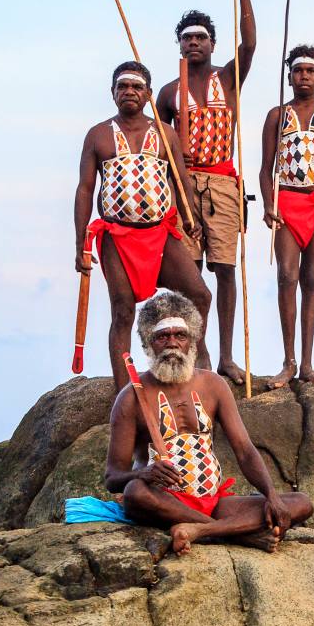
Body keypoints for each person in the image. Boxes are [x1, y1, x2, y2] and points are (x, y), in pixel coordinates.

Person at [104, 290, 312, 554]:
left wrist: (271, 495)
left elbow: (245, 451)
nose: (172, 344)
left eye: (180, 335)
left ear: (192, 341)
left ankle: (202, 529)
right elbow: (113, 478)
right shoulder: (130, 397)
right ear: (148, 343)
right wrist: (143, 473)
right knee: (134, 493)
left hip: (214, 500)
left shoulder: (213, 385)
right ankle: (237, 535)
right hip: (164, 501)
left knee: (300, 503)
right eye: (162, 337)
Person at [74, 61, 212, 393]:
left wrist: (191, 217)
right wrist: (81, 243)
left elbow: (179, 181)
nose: (129, 93)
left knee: (199, 294)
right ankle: (126, 395)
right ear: (112, 93)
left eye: (137, 87)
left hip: (159, 234)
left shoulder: (165, 134)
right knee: (122, 310)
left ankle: (196, 361)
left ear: (148, 94)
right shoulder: (98, 135)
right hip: (117, 237)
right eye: (122, 87)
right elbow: (84, 189)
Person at [154, 0, 255, 386]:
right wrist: (172, 193)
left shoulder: (227, 79)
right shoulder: (168, 91)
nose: (194, 43)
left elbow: (249, 46)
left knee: (225, 268)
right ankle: (197, 351)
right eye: (187, 38)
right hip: (183, 183)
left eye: (201, 38)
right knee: (189, 274)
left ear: (212, 44)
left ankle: (228, 357)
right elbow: (158, 144)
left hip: (224, 181)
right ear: (179, 46)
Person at [259, 44, 314, 388]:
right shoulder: (277, 116)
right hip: (288, 204)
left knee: (312, 278)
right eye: (298, 71)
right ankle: (288, 362)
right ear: (289, 77)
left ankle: (308, 363)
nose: (304, 77)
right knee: (287, 275)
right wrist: (269, 203)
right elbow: (266, 169)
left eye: (310, 71)